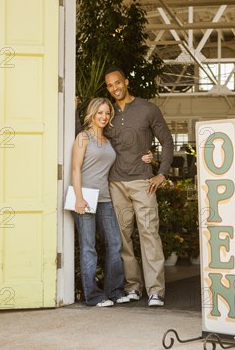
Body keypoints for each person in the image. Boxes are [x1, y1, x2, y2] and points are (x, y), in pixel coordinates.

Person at [104, 67, 174, 307]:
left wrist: (161, 173)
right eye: (110, 86)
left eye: (117, 83)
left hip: (143, 182)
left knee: (148, 233)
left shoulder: (147, 109)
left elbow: (167, 140)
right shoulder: (107, 113)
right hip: (116, 183)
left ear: (126, 82)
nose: (115, 88)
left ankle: (156, 290)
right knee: (123, 237)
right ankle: (133, 286)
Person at [72, 97, 151, 307]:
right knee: (89, 247)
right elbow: (75, 168)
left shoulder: (108, 141)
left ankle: (114, 291)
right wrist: (79, 198)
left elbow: (128, 150)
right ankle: (93, 296)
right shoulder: (83, 137)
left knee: (115, 244)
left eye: (107, 113)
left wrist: (147, 156)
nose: (104, 117)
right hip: (86, 196)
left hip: (105, 198)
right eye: (100, 113)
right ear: (92, 113)